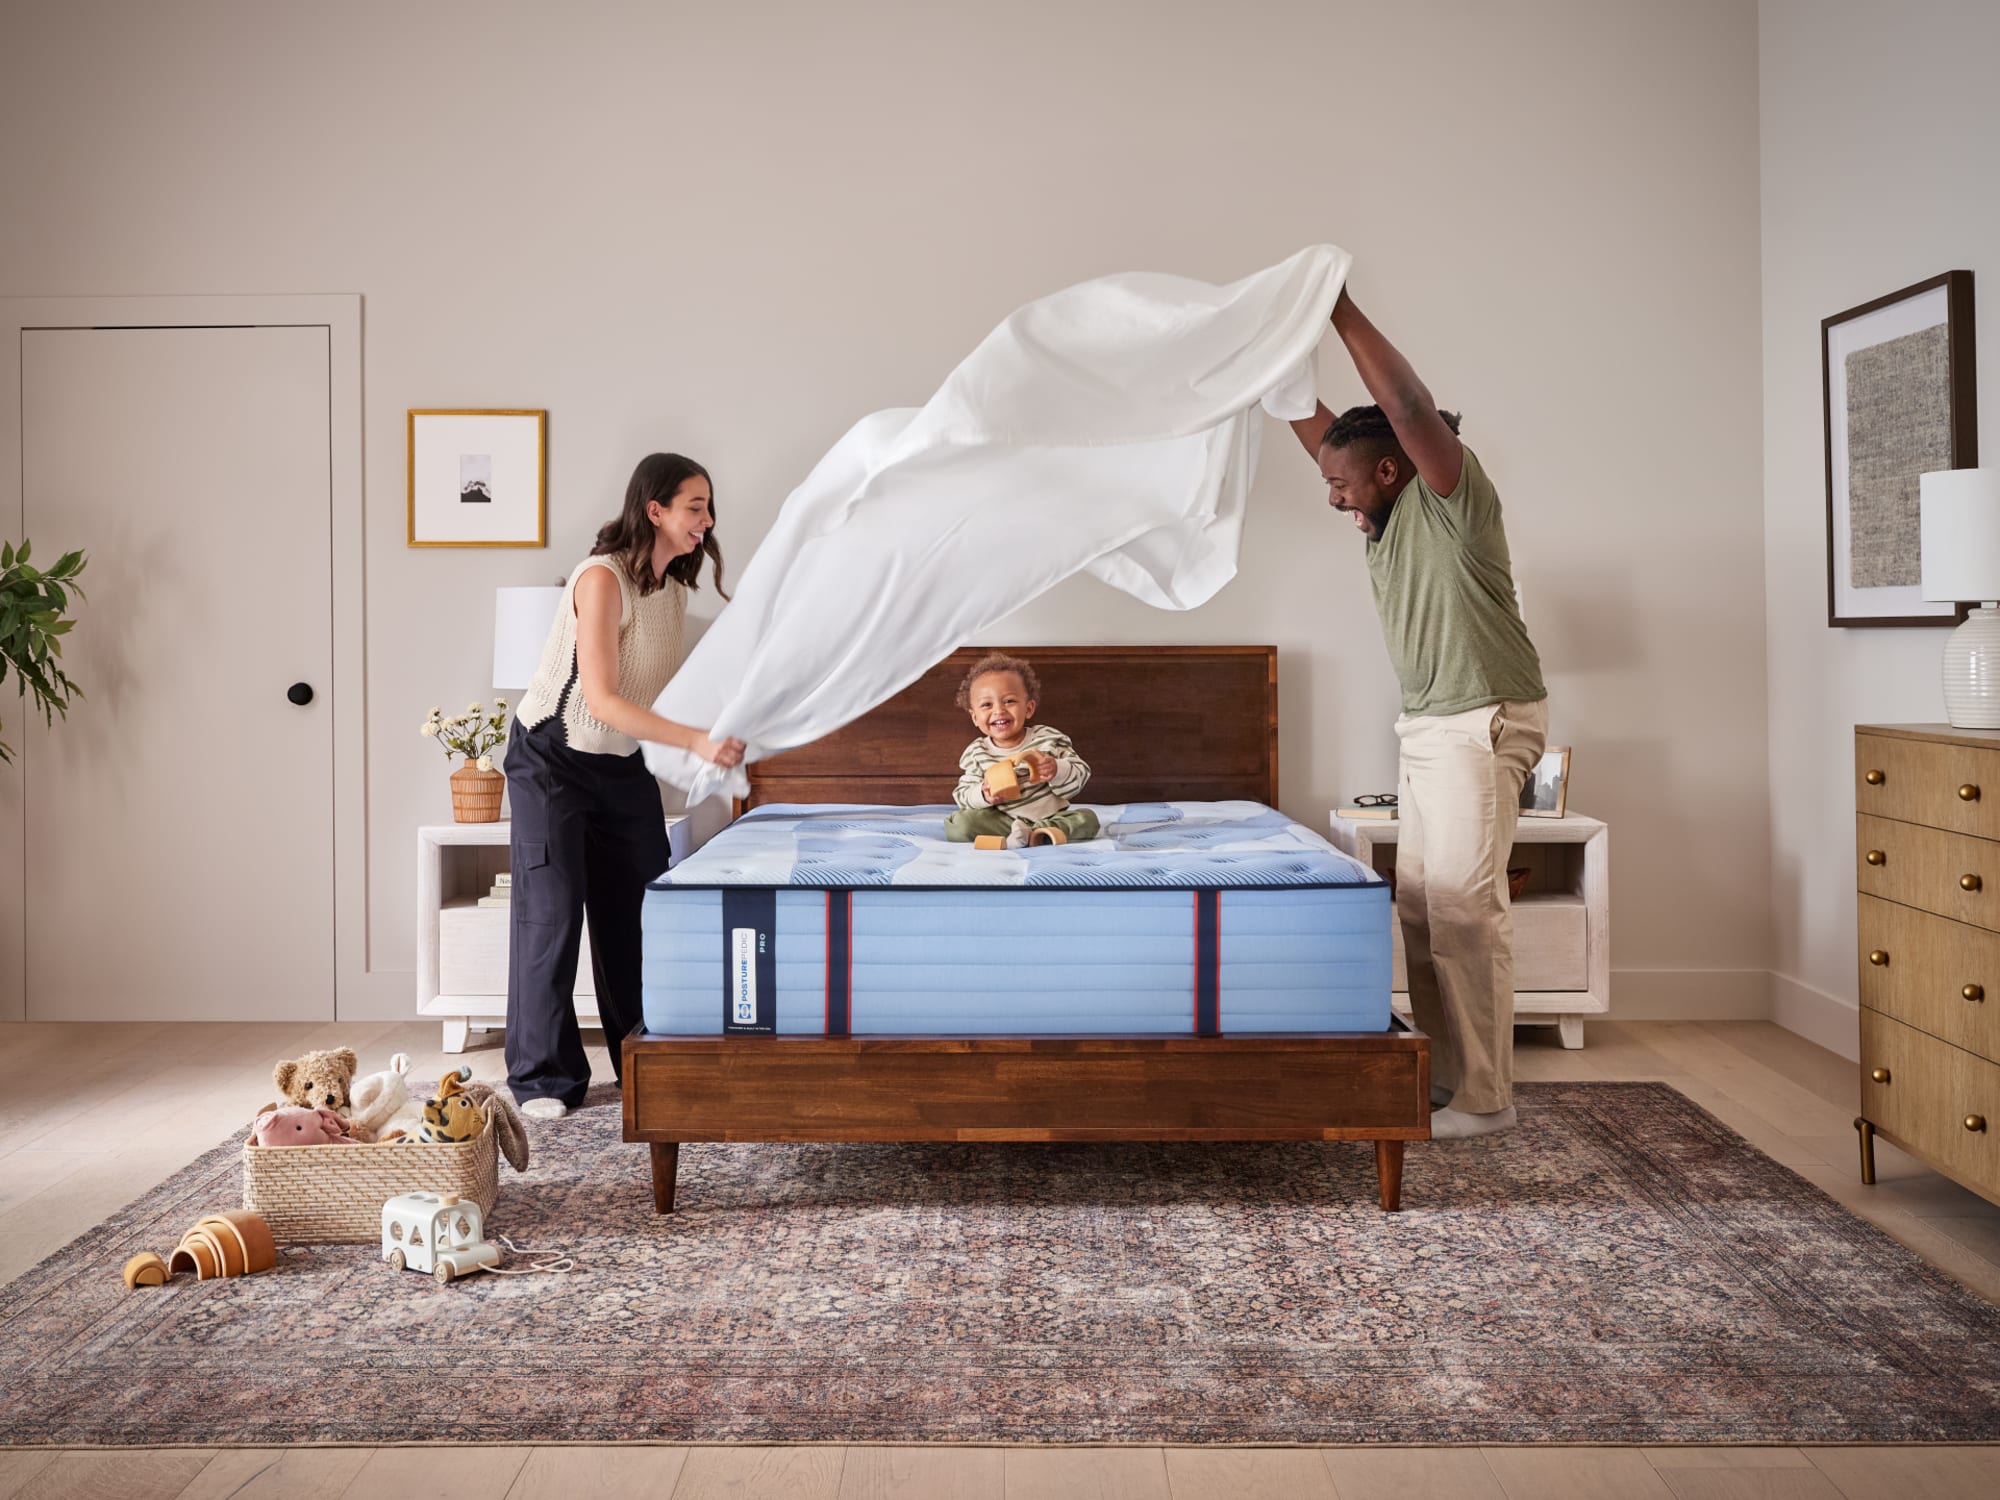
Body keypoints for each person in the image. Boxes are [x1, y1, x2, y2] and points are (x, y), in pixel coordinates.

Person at [1290, 289, 1548, 1140]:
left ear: (1392, 468)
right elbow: (1327, 436)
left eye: (1340, 483)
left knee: (1467, 911)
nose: (1333, 496)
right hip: (1431, 727)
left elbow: (1405, 408)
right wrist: (1271, 372)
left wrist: (1338, 309)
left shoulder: (1452, 501)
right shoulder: (1384, 515)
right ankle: (1443, 1079)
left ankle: (1488, 1098)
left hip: (1483, 717)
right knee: (1421, 908)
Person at [504, 453, 746, 1119]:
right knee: (553, 913)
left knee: (638, 913)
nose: (707, 519)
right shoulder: (601, 578)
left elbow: (662, 698)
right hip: (552, 758)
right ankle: (543, 1080)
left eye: (708, 507)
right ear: (654, 509)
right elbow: (604, 700)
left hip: (619, 763)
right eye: (695, 506)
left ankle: (644, 1060)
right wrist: (694, 741)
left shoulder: (673, 593)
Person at [944, 653, 1099, 848]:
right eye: (987, 705)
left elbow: (1081, 773)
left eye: (1009, 701)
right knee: (959, 824)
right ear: (975, 717)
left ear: (1029, 708)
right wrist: (983, 794)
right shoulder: (977, 753)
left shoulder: (1047, 739)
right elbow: (963, 795)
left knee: (1087, 819)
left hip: (1050, 817)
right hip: (1004, 821)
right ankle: (1023, 835)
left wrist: (1056, 769)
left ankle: (1038, 832)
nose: (999, 710)